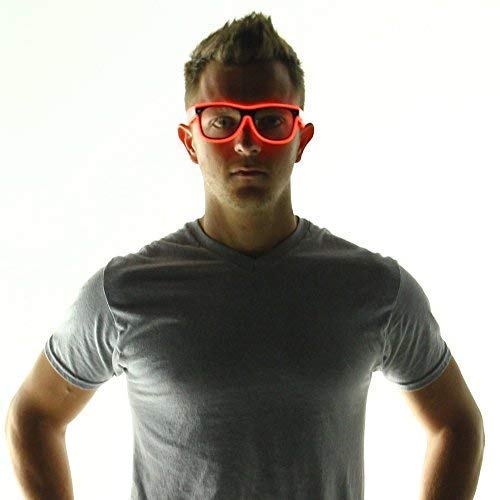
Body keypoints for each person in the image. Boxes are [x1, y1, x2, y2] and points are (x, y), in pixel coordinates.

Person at [6, 11, 484, 500]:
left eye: (271, 121)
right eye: (223, 121)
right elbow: (35, 414)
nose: (247, 142)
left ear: (300, 139)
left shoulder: (373, 288)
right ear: (191, 141)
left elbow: (457, 423)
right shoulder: (124, 293)